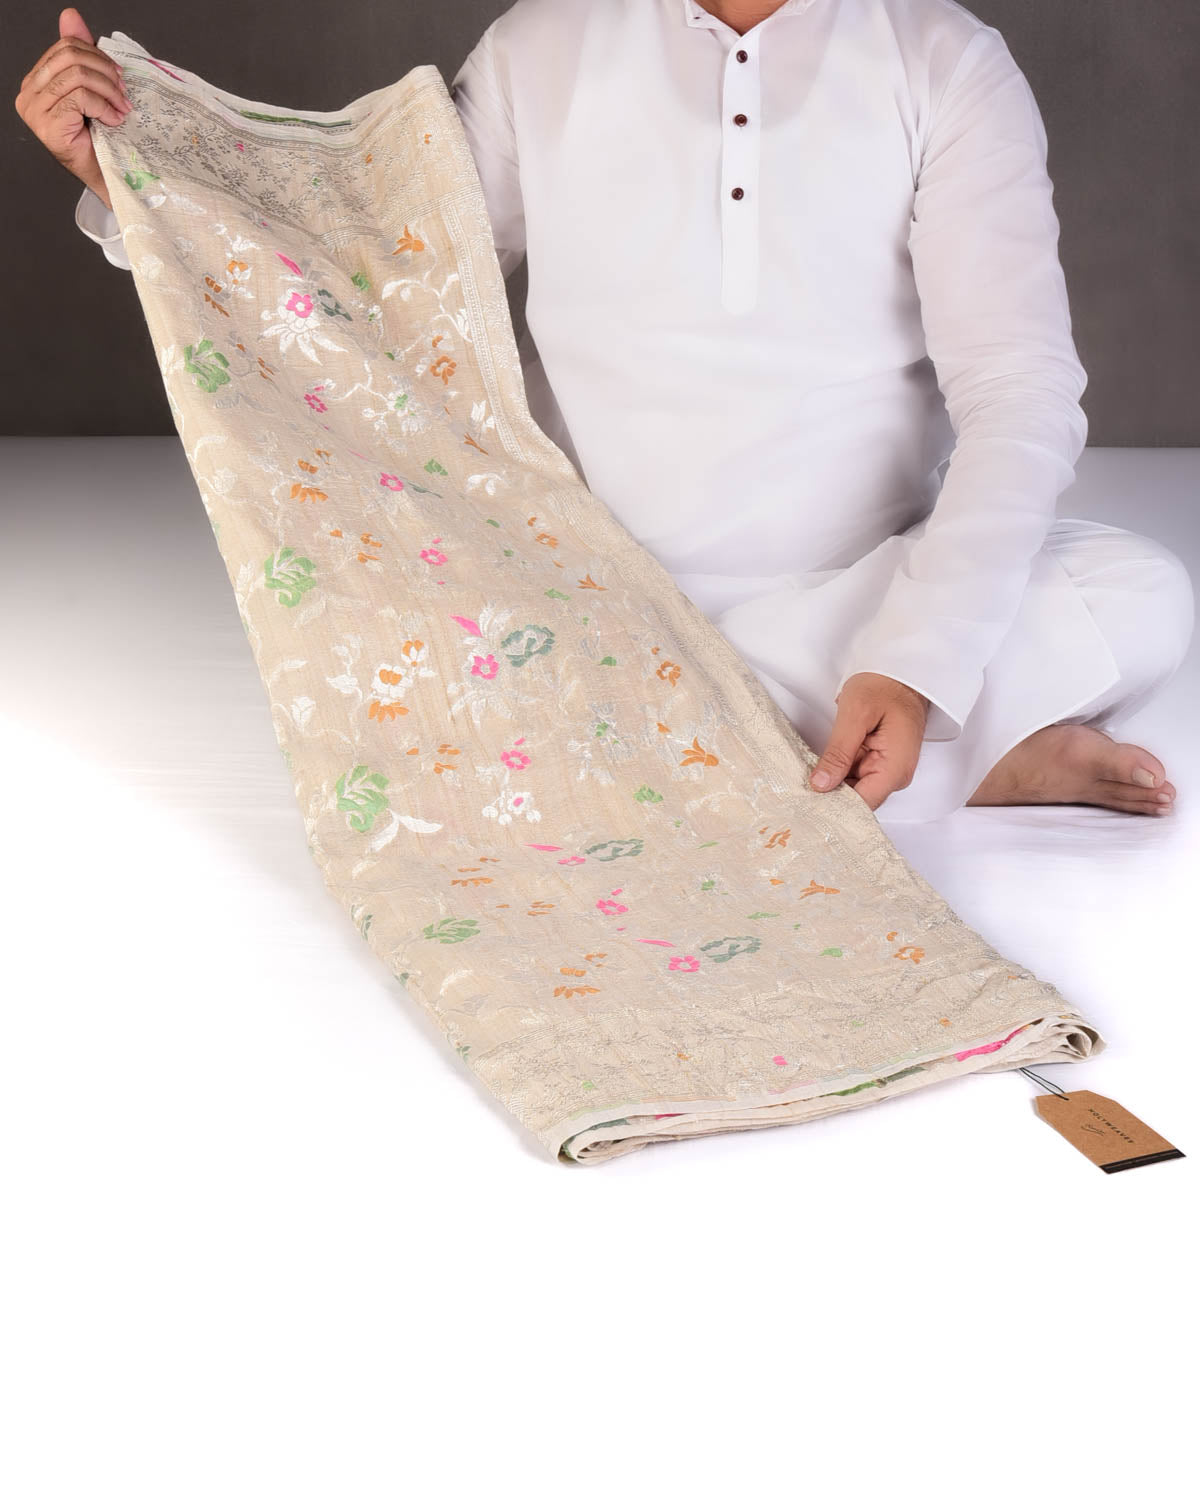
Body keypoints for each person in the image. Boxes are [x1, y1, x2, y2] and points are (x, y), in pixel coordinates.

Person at [18, 2, 1194, 822]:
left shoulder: (944, 59)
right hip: (582, 585)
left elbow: (1021, 389)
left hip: (859, 592)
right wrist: (131, 180)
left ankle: (691, 737)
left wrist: (914, 660)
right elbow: (372, 278)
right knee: (401, 608)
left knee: (1146, 592)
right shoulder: (544, 45)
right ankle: (953, 754)